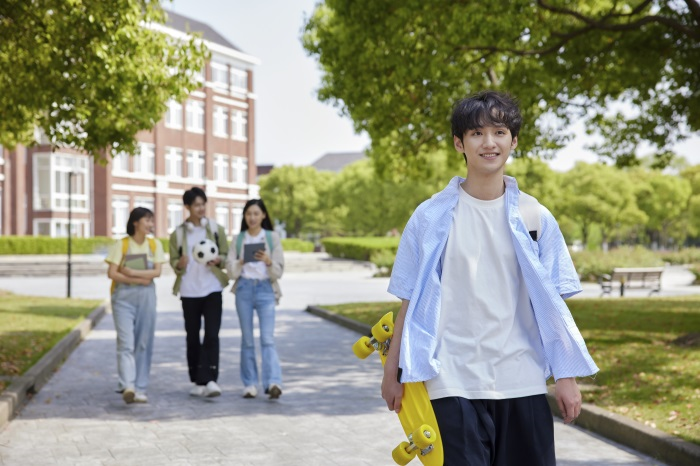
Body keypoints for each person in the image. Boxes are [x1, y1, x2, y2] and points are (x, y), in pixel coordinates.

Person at [381, 91, 599, 465]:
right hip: (451, 380)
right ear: (458, 143)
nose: (488, 142)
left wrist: (566, 376)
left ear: (513, 141)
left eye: (499, 132)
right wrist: (393, 371)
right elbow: (408, 299)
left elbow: (554, 306)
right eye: (476, 133)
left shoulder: (535, 216)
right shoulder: (430, 217)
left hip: (522, 378)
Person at [169, 187, 229, 398]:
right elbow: (173, 262)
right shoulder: (178, 233)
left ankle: (211, 379)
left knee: (212, 335)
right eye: (196, 205)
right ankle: (196, 379)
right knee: (192, 337)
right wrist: (180, 263)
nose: (201, 208)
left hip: (212, 288)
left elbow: (225, 253)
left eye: (203, 204)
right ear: (187, 207)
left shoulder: (215, 229)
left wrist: (219, 259)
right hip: (189, 291)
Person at [105, 207, 166, 404]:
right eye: (147, 220)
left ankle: (140, 387)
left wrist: (131, 274)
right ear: (135, 223)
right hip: (123, 297)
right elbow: (112, 273)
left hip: (147, 297)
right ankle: (127, 385)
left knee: (143, 342)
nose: (150, 225)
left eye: (151, 221)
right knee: (126, 343)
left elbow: (157, 272)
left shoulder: (154, 245)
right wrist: (136, 277)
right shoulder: (121, 245)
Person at [226, 199, 285, 399]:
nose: (252, 217)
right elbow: (230, 271)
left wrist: (268, 261)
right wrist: (242, 261)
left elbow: (278, 271)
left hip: (265, 290)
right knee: (247, 339)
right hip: (243, 289)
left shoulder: (272, 237)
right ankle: (250, 383)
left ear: (263, 216)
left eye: (256, 213)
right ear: (244, 216)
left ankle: (273, 382)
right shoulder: (239, 239)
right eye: (248, 214)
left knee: (267, 339)